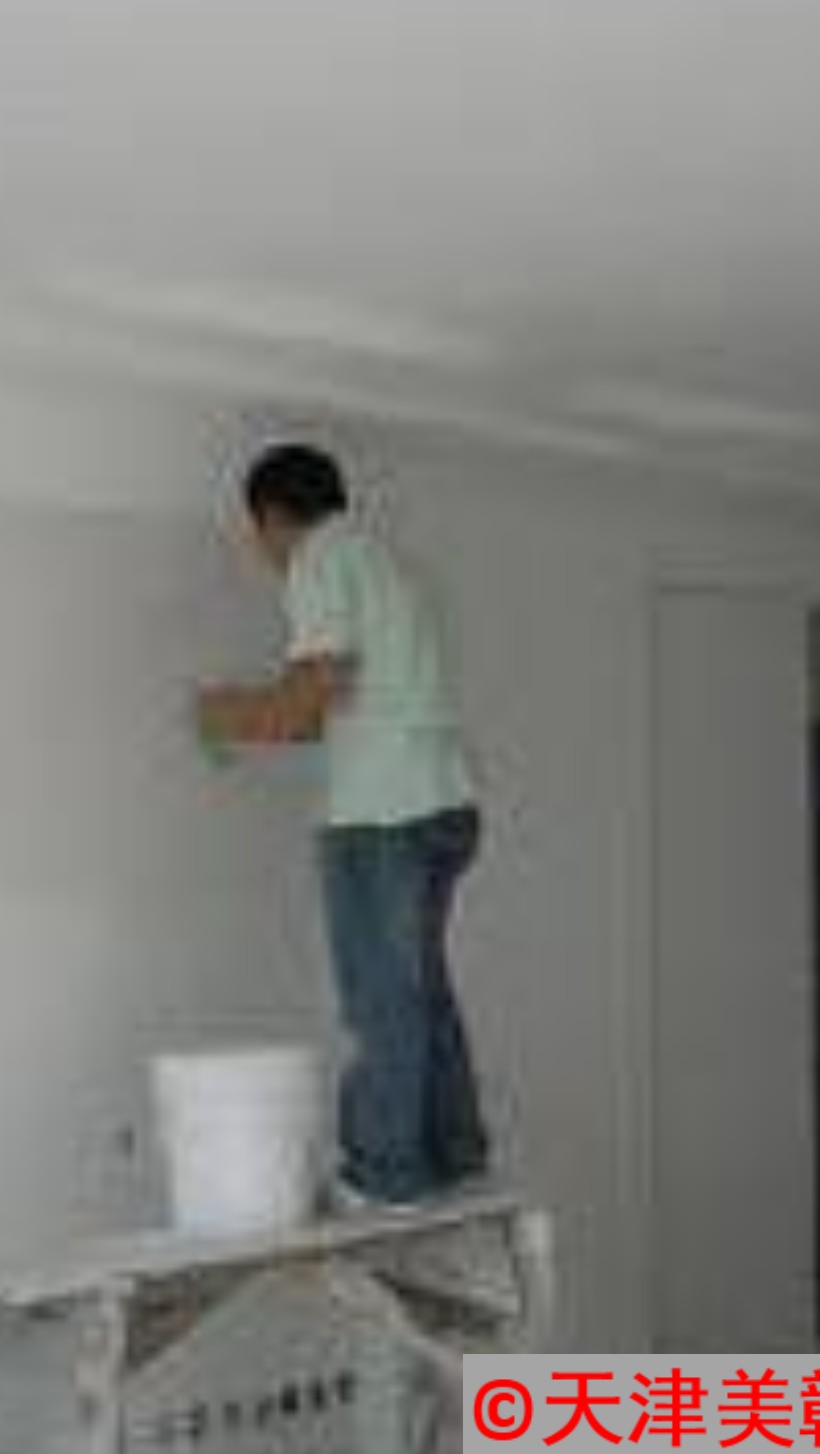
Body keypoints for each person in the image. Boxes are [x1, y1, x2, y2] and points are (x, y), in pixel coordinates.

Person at [196, 442, 489, 1207]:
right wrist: (252, 713)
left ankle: (383, 1173)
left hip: (382, 814)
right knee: (420, 990)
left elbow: (311, 697)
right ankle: (454, 1152)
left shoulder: (319, 560)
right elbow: (327, 706)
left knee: (380, 997)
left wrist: (221, 714)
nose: (260, 552)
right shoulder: (385, 565)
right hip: (443, 805)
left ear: (271, 518)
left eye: (257, 534)